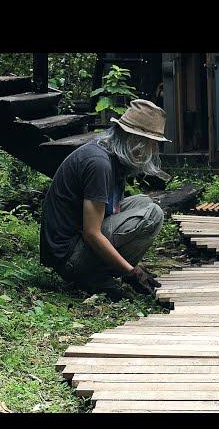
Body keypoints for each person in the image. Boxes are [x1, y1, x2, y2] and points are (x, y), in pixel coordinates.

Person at [39, 99, 172, 300]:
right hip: (69, 256)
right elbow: (92, 233)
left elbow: (110, 213)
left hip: (76, 243)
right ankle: (96, 276)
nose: (153, 151)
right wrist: (132, 272)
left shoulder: (112, 156)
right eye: (152, 144)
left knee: (145, 203)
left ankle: (109, 269)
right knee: (152, 215)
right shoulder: (98, 164)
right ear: (135, 140)